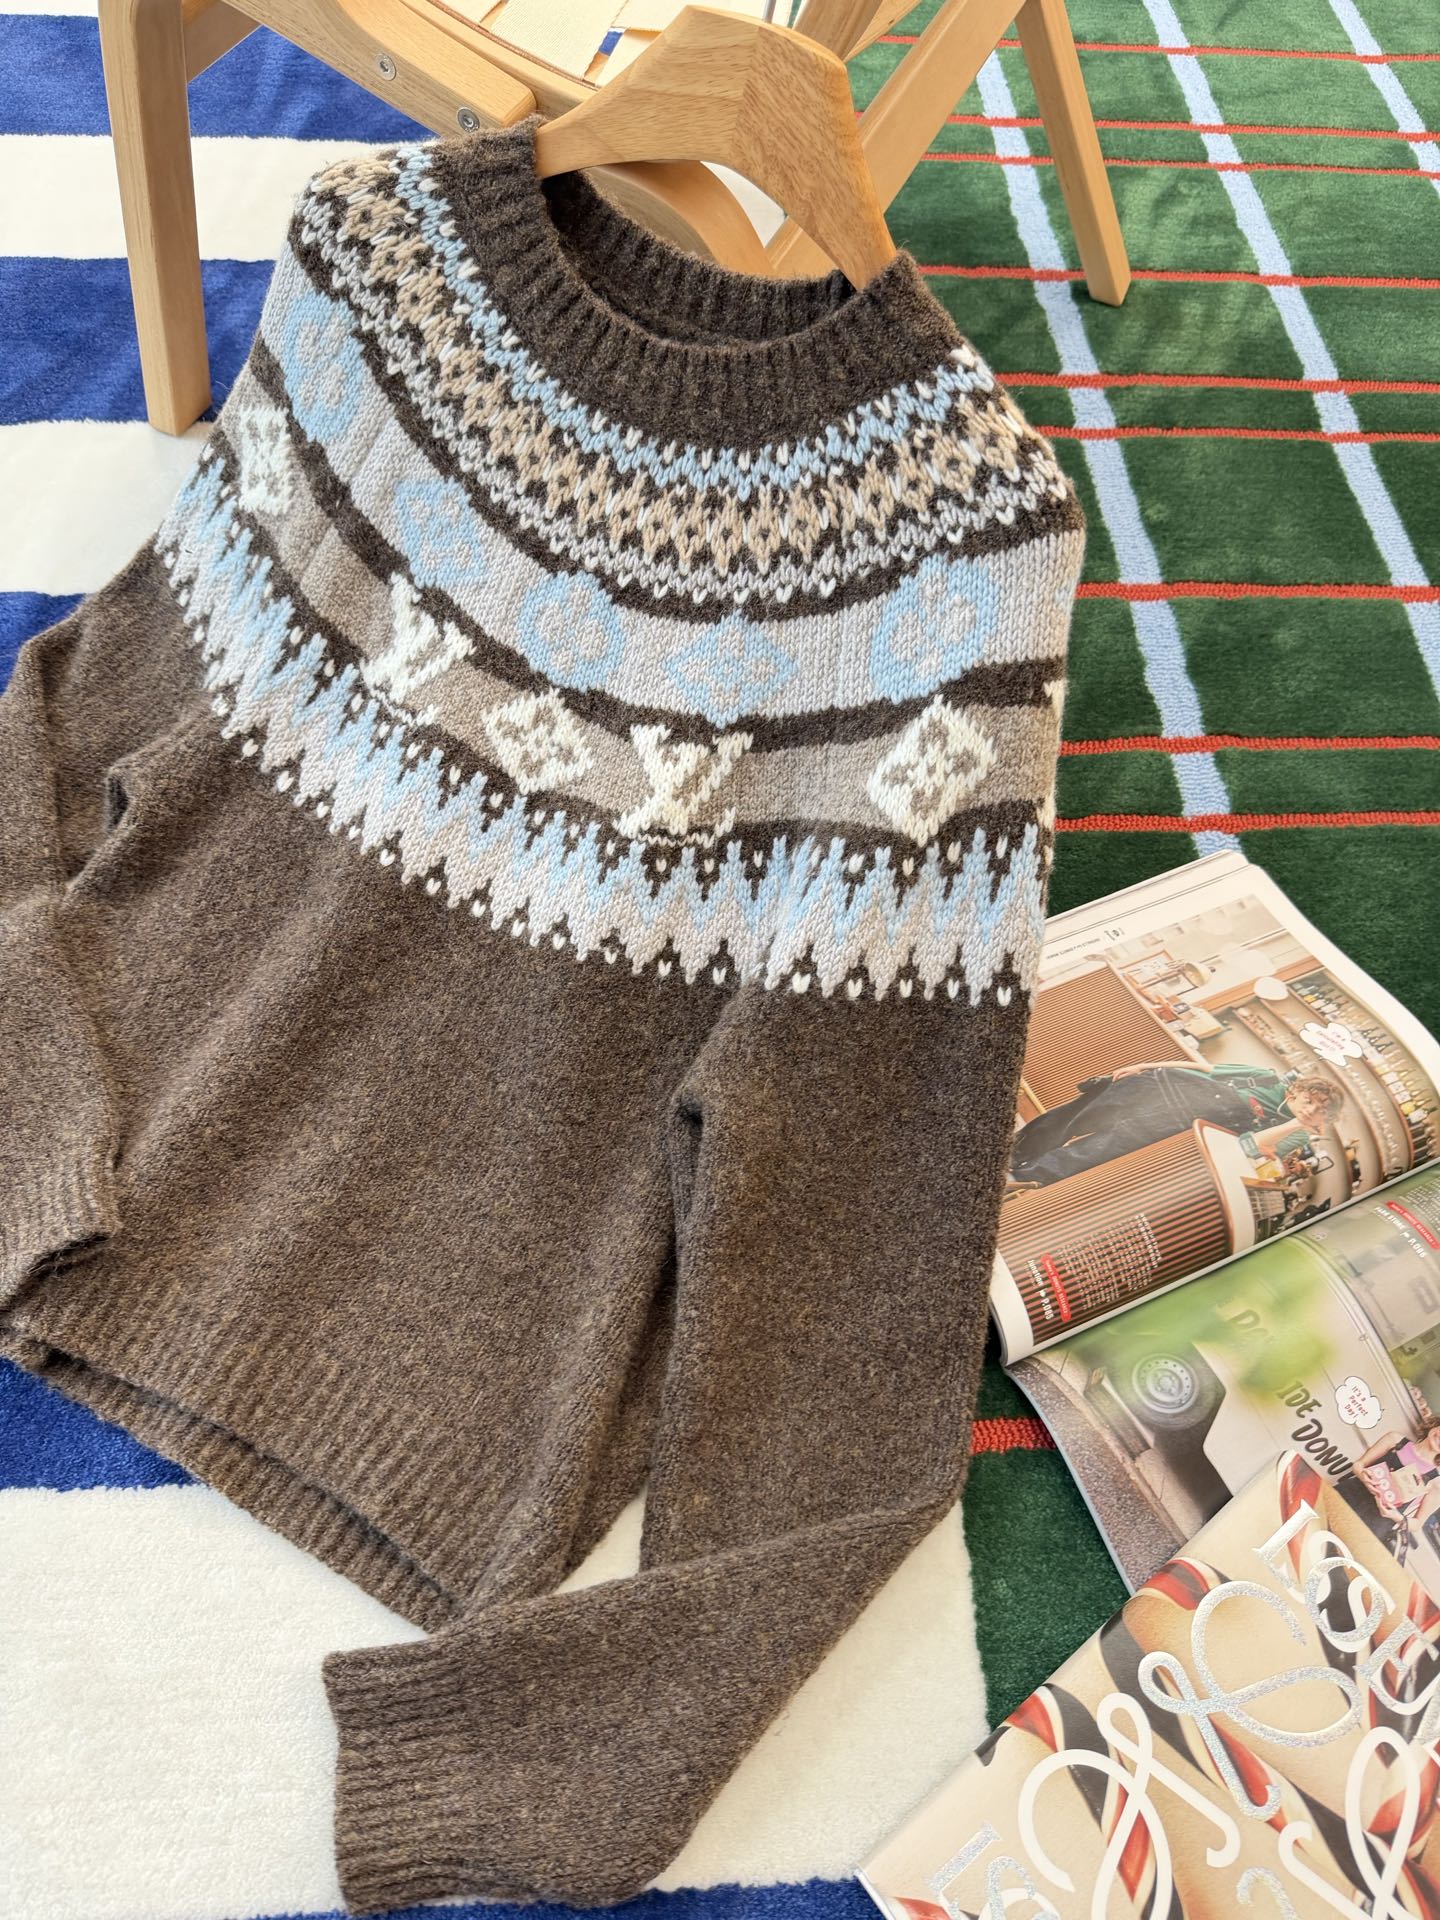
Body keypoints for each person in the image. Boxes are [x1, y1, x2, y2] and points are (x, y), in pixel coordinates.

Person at [1010, 1060, 1346, 1188]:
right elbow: (1203, 1068)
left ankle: (1019, 1179)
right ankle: (1010, 1154)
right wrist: (1144, 1066)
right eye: (1310, 1099)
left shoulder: (1294, 1136)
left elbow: (1247, 1147)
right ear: (1298, 1090)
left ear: (1324, 1118)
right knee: (1071, 1119)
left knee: (1096, 1150)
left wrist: (1296, 1124)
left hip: (1170, 1124)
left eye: (1320, 1109)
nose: (1311, 1108)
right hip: (1156, 1086)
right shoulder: (1266, 1076)